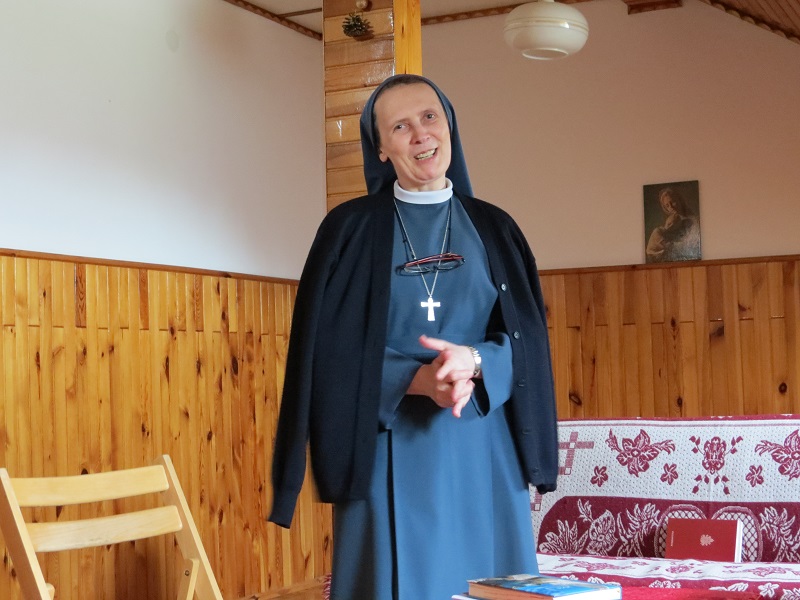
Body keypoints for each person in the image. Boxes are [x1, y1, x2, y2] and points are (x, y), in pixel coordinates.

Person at [268, 74, 559, 600]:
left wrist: (473, 360)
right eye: (399, 126)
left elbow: (527, 343)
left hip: (484, 445)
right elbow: (325, 354)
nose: (421, 134)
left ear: (449, 126)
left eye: (429, 117)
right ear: (380, 147)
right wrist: (415, 379)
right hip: (384, 444)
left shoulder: (496, 227)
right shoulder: (347, 230)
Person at [645, 186, 701, 263]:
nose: (671, 207)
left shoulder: (695, 221)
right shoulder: (670, 222)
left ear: (679, 200)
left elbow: (692, 244)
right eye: (667, 205)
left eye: (673, 202)